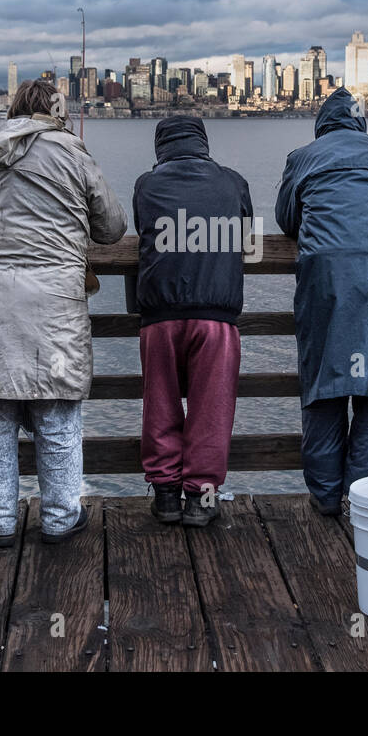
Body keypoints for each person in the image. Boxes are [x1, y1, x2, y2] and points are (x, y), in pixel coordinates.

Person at [0, 80, 126, 546]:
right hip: (55, 308)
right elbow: (111, 228)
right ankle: (61, 517)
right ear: (56, 111)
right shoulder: (73, 151)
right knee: (57, 415)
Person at [275, 88, 368, 515]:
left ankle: (325, 497)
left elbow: (287, 219)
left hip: (327, 281)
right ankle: (364, 501)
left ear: (322, 123)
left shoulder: (303, 157)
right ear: (361, 122)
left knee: (324, 384)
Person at [127, 115, 253, 526]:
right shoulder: (232, 182)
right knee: (211, 409)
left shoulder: (147, 184)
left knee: (159, 402)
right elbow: (248, 238)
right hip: (215, 315)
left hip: (160, 315)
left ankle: (165, 496)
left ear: (160, 147)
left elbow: (145, 228)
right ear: (203, 143)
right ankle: (201, 498)